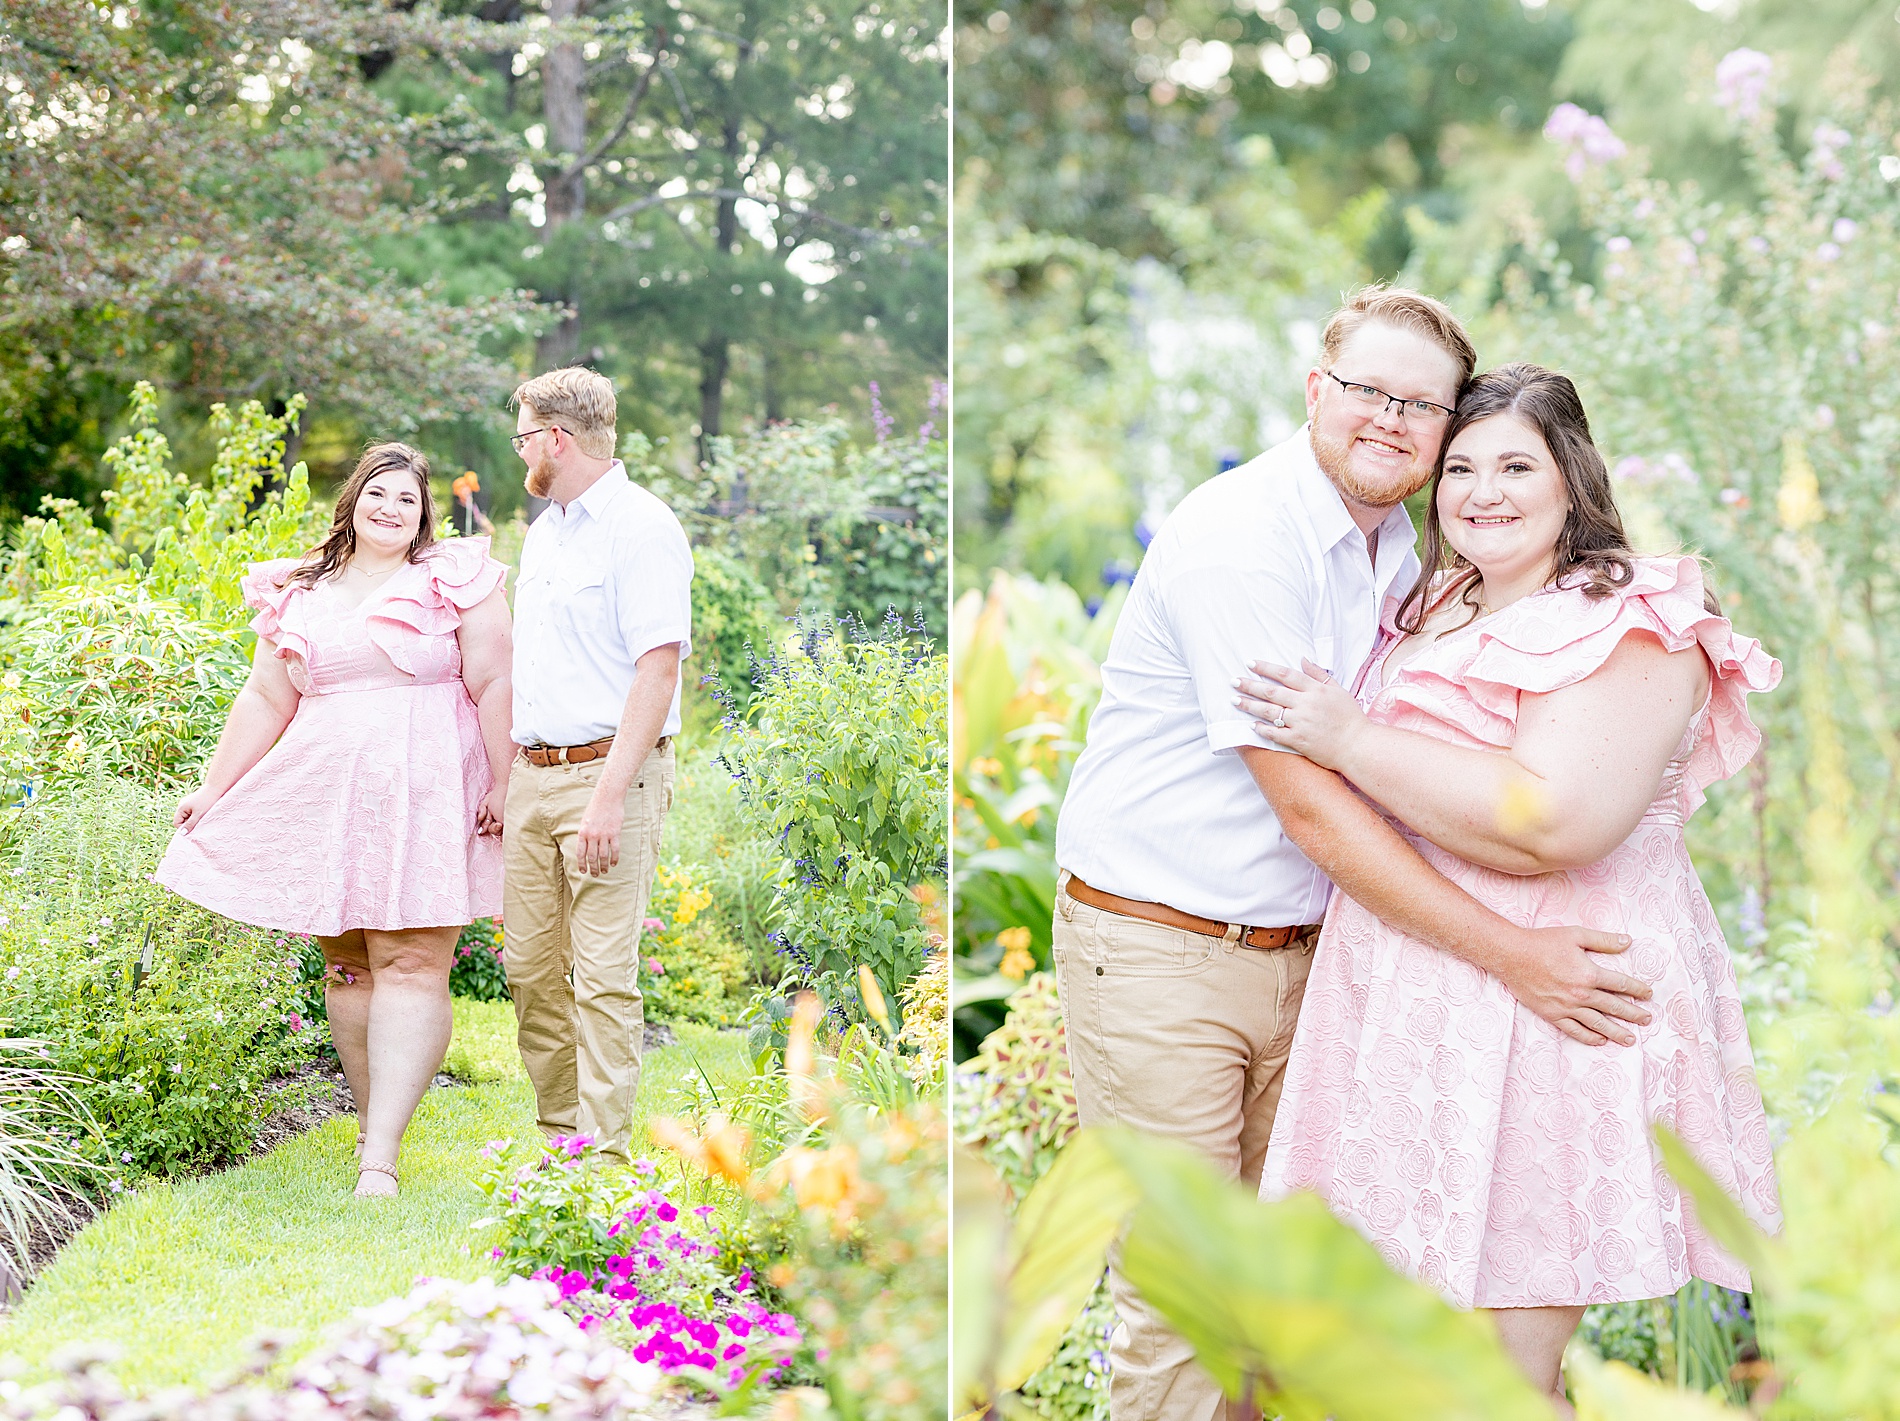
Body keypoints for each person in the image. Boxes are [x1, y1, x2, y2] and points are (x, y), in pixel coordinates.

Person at [1050, 287, 1657, 1421]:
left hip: (1327, 963)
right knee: (1187, 1302)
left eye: (1421, 405)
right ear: (1316, 388)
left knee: (1302, 1308)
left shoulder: (1406, 563)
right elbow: (1317, 812)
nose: (1391, 420)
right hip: (1167, 953)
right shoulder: (1244, 542)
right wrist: (1519, 957)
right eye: (1369, 391)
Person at [1241, 364, 1782, 1412]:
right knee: (1420, 1355)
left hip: (1554, 996)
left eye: (1514, 465)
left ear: (1572, 479)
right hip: (1426, 988)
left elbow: (1557, 821)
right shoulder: (1441, 601)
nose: (1481, 491)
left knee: (1505, 1365)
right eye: (1459, 468)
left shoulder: (1630, 611)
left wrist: (1347, 737)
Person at [155, 442, 514, 1198]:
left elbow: (493, 678)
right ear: (352, 499)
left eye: (407, 499)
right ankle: (370, 1122)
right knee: (348, 964)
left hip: (428, 784)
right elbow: (264, 698)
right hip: (329, 788)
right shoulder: (301, 588)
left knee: (412, 960)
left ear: (424, 515)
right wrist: (214, 788)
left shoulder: (452, 577)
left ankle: (378, 1157)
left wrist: (505, 782)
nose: (391, 508)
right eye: (378, 493)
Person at [503, 366, 692, 1161]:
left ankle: (604, 1162)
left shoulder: (643, 528)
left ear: (557, 439)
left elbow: (658, 670)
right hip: (532, 775)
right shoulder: (546, 532)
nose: (518, 454)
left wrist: (609, 798)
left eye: (523, 437)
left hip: (608, 776)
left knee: (604, 977)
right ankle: (561, 1144)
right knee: (530, 971)